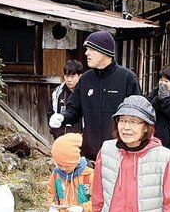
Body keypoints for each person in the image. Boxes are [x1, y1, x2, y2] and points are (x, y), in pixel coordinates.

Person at [49, 30, 142, 161]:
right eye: (86, 49)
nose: (86, 53)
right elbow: (74, 109)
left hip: (120, 154)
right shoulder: (86, 79)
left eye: (91, 49)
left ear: (104, 51)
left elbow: (138, 116)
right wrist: (62, 117)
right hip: (89, 155)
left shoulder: (127, 78)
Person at [49, 60, 85, 139]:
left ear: (80, 76)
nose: (69, 80)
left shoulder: (86, 92)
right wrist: (54, 131)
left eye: (72, 76)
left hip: (81, 136)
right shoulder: (57, 92)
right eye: (66, 76)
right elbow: (51, 112)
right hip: (61, 136)